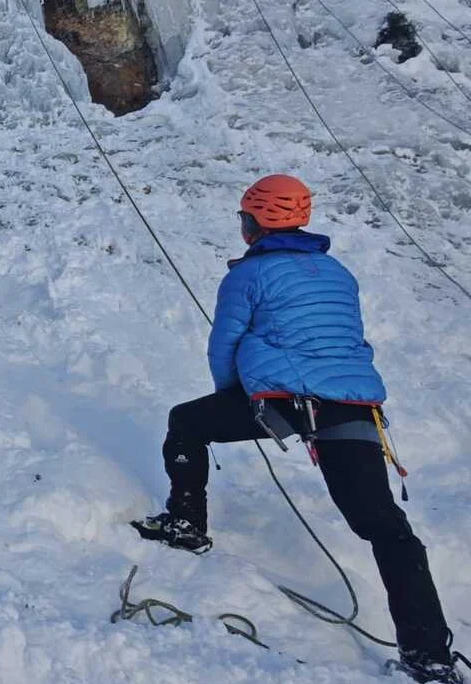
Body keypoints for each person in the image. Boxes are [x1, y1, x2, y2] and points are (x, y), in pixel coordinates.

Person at [133, 175, 462, 684]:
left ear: (254, 223)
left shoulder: (248, 275)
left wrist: (234, 397)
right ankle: (430, 656)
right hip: (354, 405)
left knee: (186, 423)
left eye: (244, 218)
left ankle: (186, 524)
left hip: (286, 401)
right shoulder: (337, 272)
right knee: (386, 528)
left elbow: (224, 345)